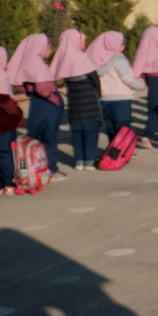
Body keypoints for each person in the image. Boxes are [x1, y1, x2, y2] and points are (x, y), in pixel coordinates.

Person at [9, 33, 66, 180]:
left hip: (36, 104)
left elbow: (23, 86)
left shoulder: (25, 62)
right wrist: (55, 99)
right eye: (48, 46)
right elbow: (42, 87)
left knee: (35, 137)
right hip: (47, 104)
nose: (50, 50)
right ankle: (52, 170)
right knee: (49, 138)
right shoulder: (38, 63)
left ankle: (31, 170)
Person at [50, 29, 103, 170]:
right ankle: (90, 160)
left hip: (74, 104)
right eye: (82, 41)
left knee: (77, 133)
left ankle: (79, 160)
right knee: (91, 132)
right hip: (89, 104)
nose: (83, 43)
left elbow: (58, 80)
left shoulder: (62, 59)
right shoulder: (83, 58)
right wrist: (98, 94)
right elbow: (95, 79)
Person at [86, 31, 142, 147]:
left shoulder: (97, 58)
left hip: (105, 98)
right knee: (123, 127)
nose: (123, 46)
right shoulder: (119, 59)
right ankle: (124, 149)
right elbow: (128, 79)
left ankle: (113, 147)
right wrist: (141, 85)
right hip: (121, 98)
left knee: (110, 126)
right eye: (122, 44)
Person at [0, 47, 19, 194]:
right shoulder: (2, 76)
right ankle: (8, 183)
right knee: (6, 152)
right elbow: (7, 101)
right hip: (4, 122)